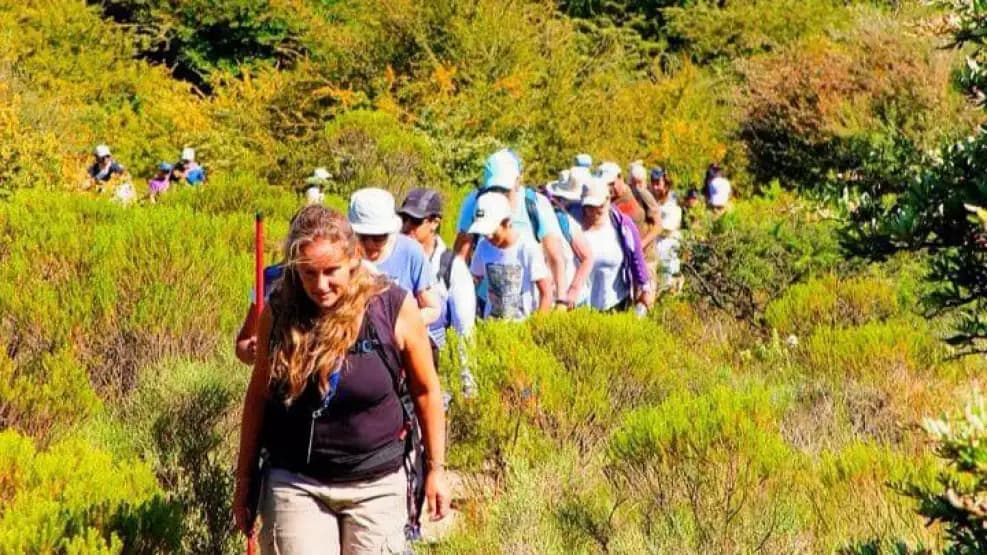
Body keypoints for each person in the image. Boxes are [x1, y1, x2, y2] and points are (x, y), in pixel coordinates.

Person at [233, 205, 451, 553]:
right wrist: (244, 479)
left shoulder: (392, 307)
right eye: (308, 273)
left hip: (377, 482)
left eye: (331, 271)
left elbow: (426, 391)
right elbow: (258, 396)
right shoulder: (279, 311)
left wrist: (436, 469)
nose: (320, 285)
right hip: (295, 480)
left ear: (353, 259)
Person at [453, 149, 566, 306]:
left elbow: (556, 257)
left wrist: (561, 300)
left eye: (504, 190)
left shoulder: (536, 205)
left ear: (518, 182)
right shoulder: (475, 203)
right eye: (493, 189)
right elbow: (460, 256)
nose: (498, 195)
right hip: (485, 302)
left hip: (528, 305)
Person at [399, 189, 478, 398]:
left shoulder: (453, 267)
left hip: (438, 380)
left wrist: (467, 386)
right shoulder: (393, 259)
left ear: (434, 223)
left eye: (415, 221)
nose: (407, 227)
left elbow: (464, 331)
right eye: (404, 219)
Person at [349, 188, 441, 327]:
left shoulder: (410, 252)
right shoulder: (343, 254)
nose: (369, 244)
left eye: (378, 237)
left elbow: (432, 309)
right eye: (362, 236)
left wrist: (399, 327)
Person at [468, 193, 552, 320]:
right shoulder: (483, 246)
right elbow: (473, 280)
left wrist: (537, 325)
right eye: (484, 232)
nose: (488, 237)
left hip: (523, 325)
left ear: (507, 222)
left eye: (492, 231)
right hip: (492, 325)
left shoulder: (527, 248)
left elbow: (546, 293)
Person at [579, 177, 655, 312]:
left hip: (615, 302)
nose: (593, 212)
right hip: (581, 306)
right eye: (589, 207)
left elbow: (636, 256)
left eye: (599, 206)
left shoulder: (622, 225)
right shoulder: (574, 224)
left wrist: (645, 287)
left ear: (608, 200)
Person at [545, 168, 596, 308]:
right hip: (557, 298)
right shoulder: (560, 219)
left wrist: (573, 290)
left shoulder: (564, 221)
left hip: (571, 299)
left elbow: (587, 257)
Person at [651, 169, 685, 294]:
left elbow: (667, 228)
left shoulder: (673, 202)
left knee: (668, 284)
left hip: (668, 246)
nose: (655, 187)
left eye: (658, 183)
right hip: (656, 246)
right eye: (653, 183)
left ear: (665, 184)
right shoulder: (652, 199)